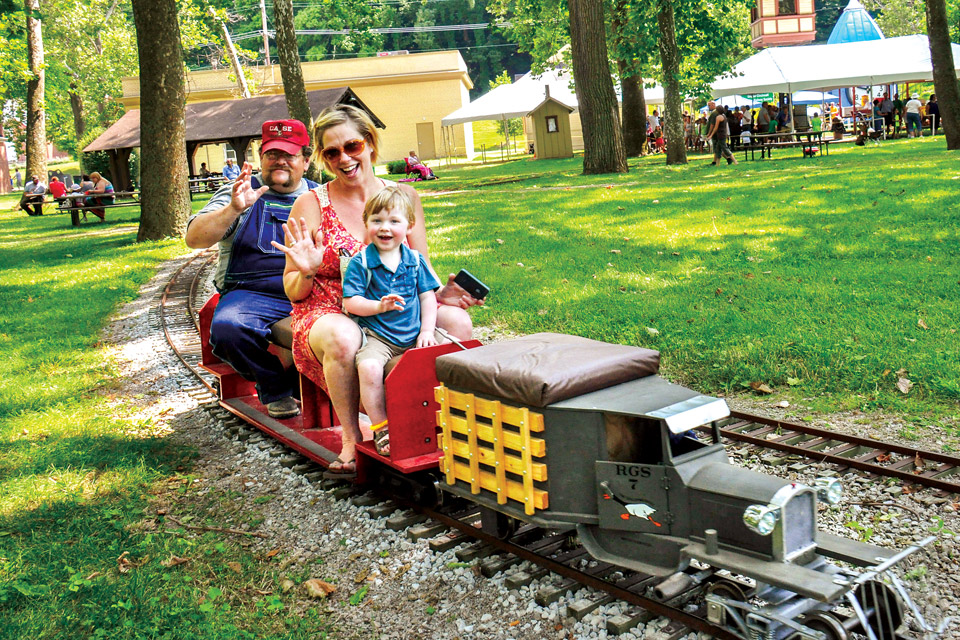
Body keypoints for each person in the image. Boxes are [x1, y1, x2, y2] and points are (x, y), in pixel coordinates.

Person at [274, 104, 481, 476]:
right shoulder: (310, 204)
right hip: (330, 309)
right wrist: (306, 272)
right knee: (344, 336)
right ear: (322, 157)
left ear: (369, 143)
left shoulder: (403, 197)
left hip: (395, 308)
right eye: (332, 152)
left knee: (458, 322)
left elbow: (419, 264)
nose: (344, 158)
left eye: (351, 146)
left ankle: (440, 420)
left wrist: (440, 294)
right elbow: (293, 291)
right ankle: (354, 438)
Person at [184, 119, 320, 420]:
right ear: (262, 157)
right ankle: (276, 385)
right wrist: (234, 208)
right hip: (254, 294)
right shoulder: (239, 192)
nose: (280, 161)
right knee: (227, 329)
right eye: (273, 154)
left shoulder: (322, 196)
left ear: (306, 160)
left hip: (313, 290)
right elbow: (194, 239)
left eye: (290, 154)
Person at [334, 186, 441, 456]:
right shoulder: (361, 263)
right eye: (377, 220)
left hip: (415, 333)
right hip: (378, 338)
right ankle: (381, 426)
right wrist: (379, 306)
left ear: (409, 226)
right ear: (366, 223)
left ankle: (443, 419)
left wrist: (427, 330)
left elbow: (427, 298)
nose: (385, 228)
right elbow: (351, 302)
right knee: (369, 368)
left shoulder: (415, 261)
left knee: (445, 361)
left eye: (394, 221)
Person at [705, 101, 737, 166]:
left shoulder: (717, 116)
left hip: (720, 135)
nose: (709, 107)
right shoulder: (723, 116)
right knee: (718, 149)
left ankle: (734, 161)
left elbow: (714, 126)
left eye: (709, 105)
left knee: (724, 148)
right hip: (721, 134)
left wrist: (710, 134)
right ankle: (717, 163)